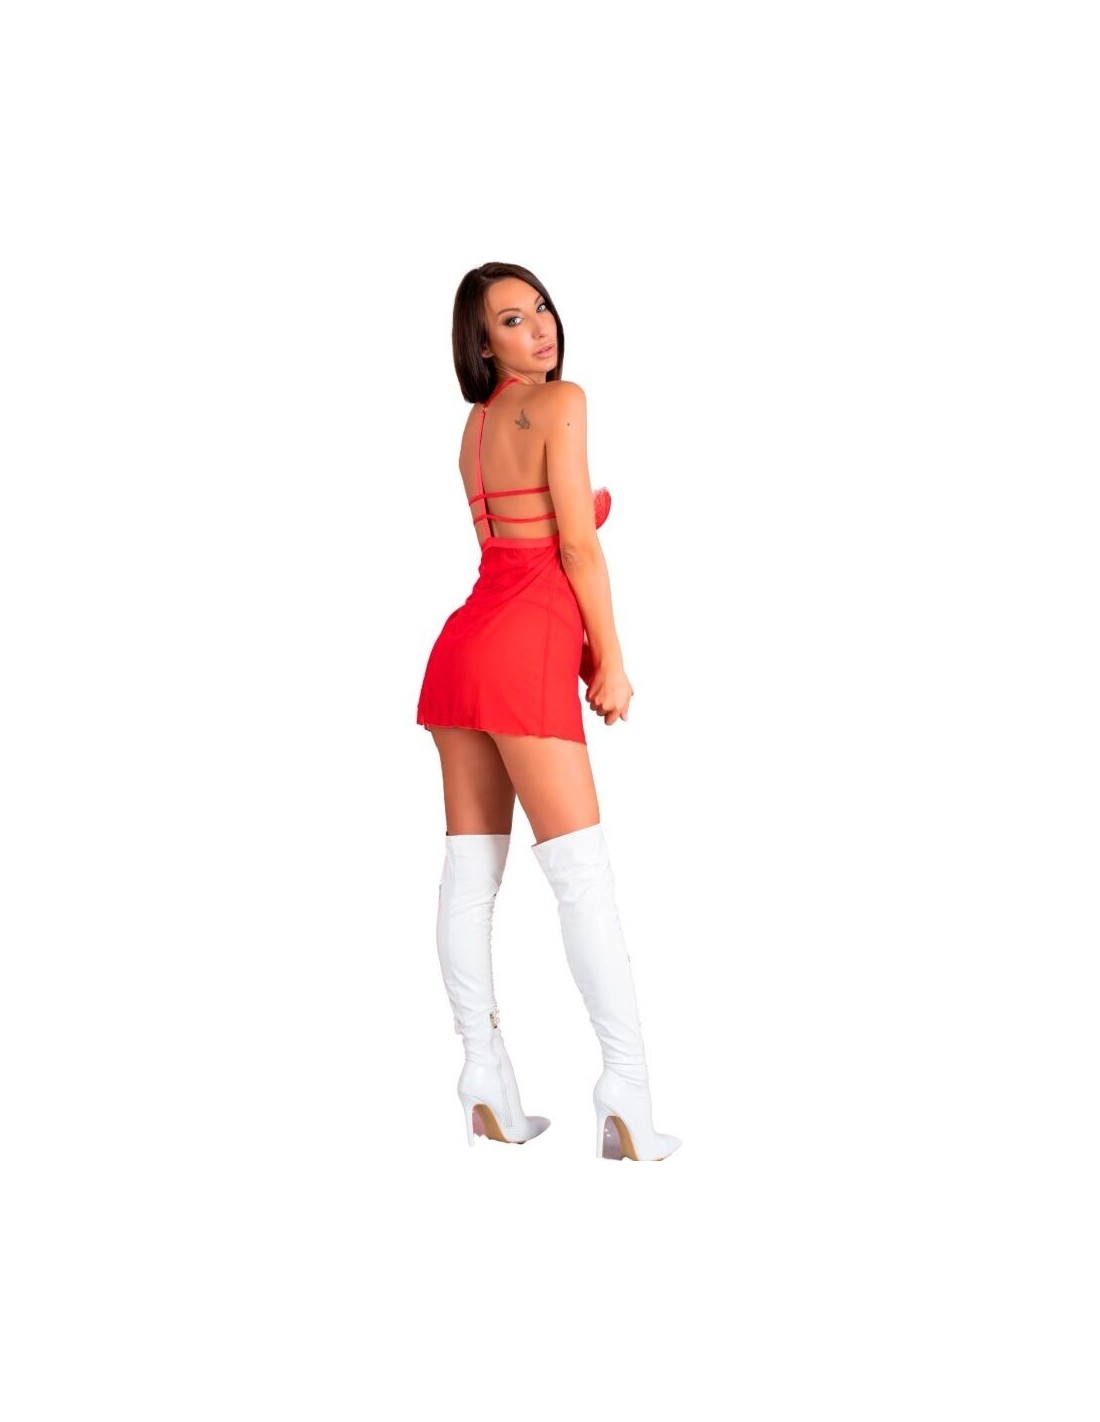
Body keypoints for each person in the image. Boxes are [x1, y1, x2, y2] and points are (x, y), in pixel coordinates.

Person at [416, 261, 680, 1162]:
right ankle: (627, 1094)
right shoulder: (561, 403)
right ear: (482, 343)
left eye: (541, 308)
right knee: (581, 876)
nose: (539, 327)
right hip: (523, 649)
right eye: (511, 319)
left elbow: (512, 544)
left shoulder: (476, 427)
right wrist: (612, 659)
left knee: (470, 874)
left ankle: (484, 1075)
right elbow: (574, 547)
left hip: (462, 650)